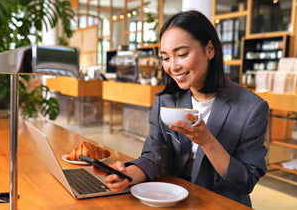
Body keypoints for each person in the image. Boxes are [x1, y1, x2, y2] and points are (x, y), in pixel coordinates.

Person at [92, 10, 269, 207]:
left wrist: (207, 142)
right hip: (171, 200)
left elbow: (246, 181)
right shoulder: (166, 99)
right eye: (166, 58)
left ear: (210, 50)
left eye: (182, 54)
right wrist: (128, 175)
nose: (173, 67)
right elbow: (155, 153)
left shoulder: (252, 108)